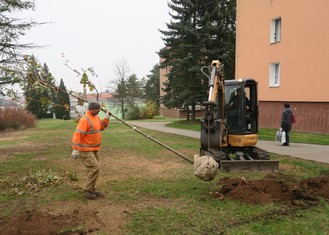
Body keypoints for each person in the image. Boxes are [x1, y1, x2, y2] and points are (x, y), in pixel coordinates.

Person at [71, 102, 111, 199]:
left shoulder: (95, 117)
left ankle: (92, 189)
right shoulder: (85, 119)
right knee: (95, 168)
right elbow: (77, 134)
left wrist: (106, 118)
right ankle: (88, 190)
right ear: (92, 109)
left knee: (94, 170)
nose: (99, 111)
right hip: (85, 149)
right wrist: (75, 149)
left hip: (94, 148)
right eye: (97, 109)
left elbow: (100, 127)